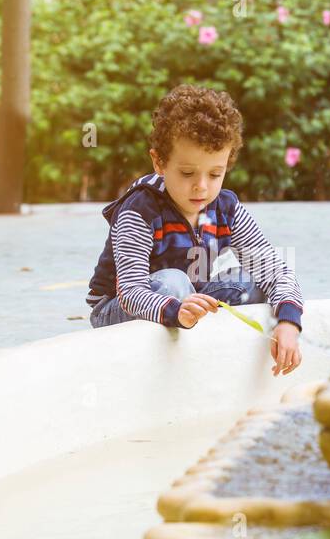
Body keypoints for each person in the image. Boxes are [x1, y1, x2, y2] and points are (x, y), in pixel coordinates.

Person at [86, 84, 303, 376]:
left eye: (215, 174)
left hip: (189, 299)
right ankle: (172, 369)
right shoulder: (140, 211)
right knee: (174, 282)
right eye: (187, 173)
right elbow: (130, 290)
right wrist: (176, 310)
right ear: (159, 162)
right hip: (119, 308)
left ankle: (200, 349)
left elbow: (276, 270)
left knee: (248, 282)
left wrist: (288, 322)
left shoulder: (225, 208)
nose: (201, 186)